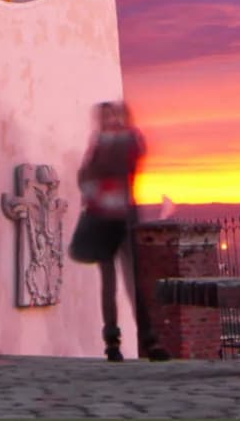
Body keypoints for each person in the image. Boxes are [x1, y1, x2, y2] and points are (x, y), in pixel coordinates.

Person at [71, 99, 162, 360]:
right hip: (101, 218)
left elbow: (121, 166)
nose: (110, 121)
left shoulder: (126, 141)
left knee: (133, 280)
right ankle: (112, 342)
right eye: (106, 117)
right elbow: (85, 176)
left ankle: (148, 339)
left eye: (113, 116)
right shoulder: (100, 144)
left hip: (122, 218)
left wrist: (97, 174)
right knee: (108, 282)